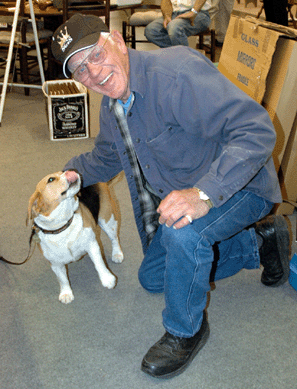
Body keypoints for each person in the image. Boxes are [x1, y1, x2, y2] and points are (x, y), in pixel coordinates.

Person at [51, 14, 290, 379]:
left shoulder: (176, 73)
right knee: (154, 277)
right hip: (191, 190)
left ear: (115, 38)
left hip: (243, 183)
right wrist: (71, 175)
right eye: (80, 70)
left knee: (183, 232)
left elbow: (256, 131)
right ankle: (260, 244)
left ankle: (186, 331)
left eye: (95, 55)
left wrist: (203, 194)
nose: (94, 73)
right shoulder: (112, 103)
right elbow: (106, 157)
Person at [144, 0, 216, 47]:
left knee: (174, 27)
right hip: (175, 13)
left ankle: (184, 61)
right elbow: (165, 1)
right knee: (151, 30)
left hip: (199, 13)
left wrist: (193, 12)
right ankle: (186, 55)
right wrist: (167, 15)